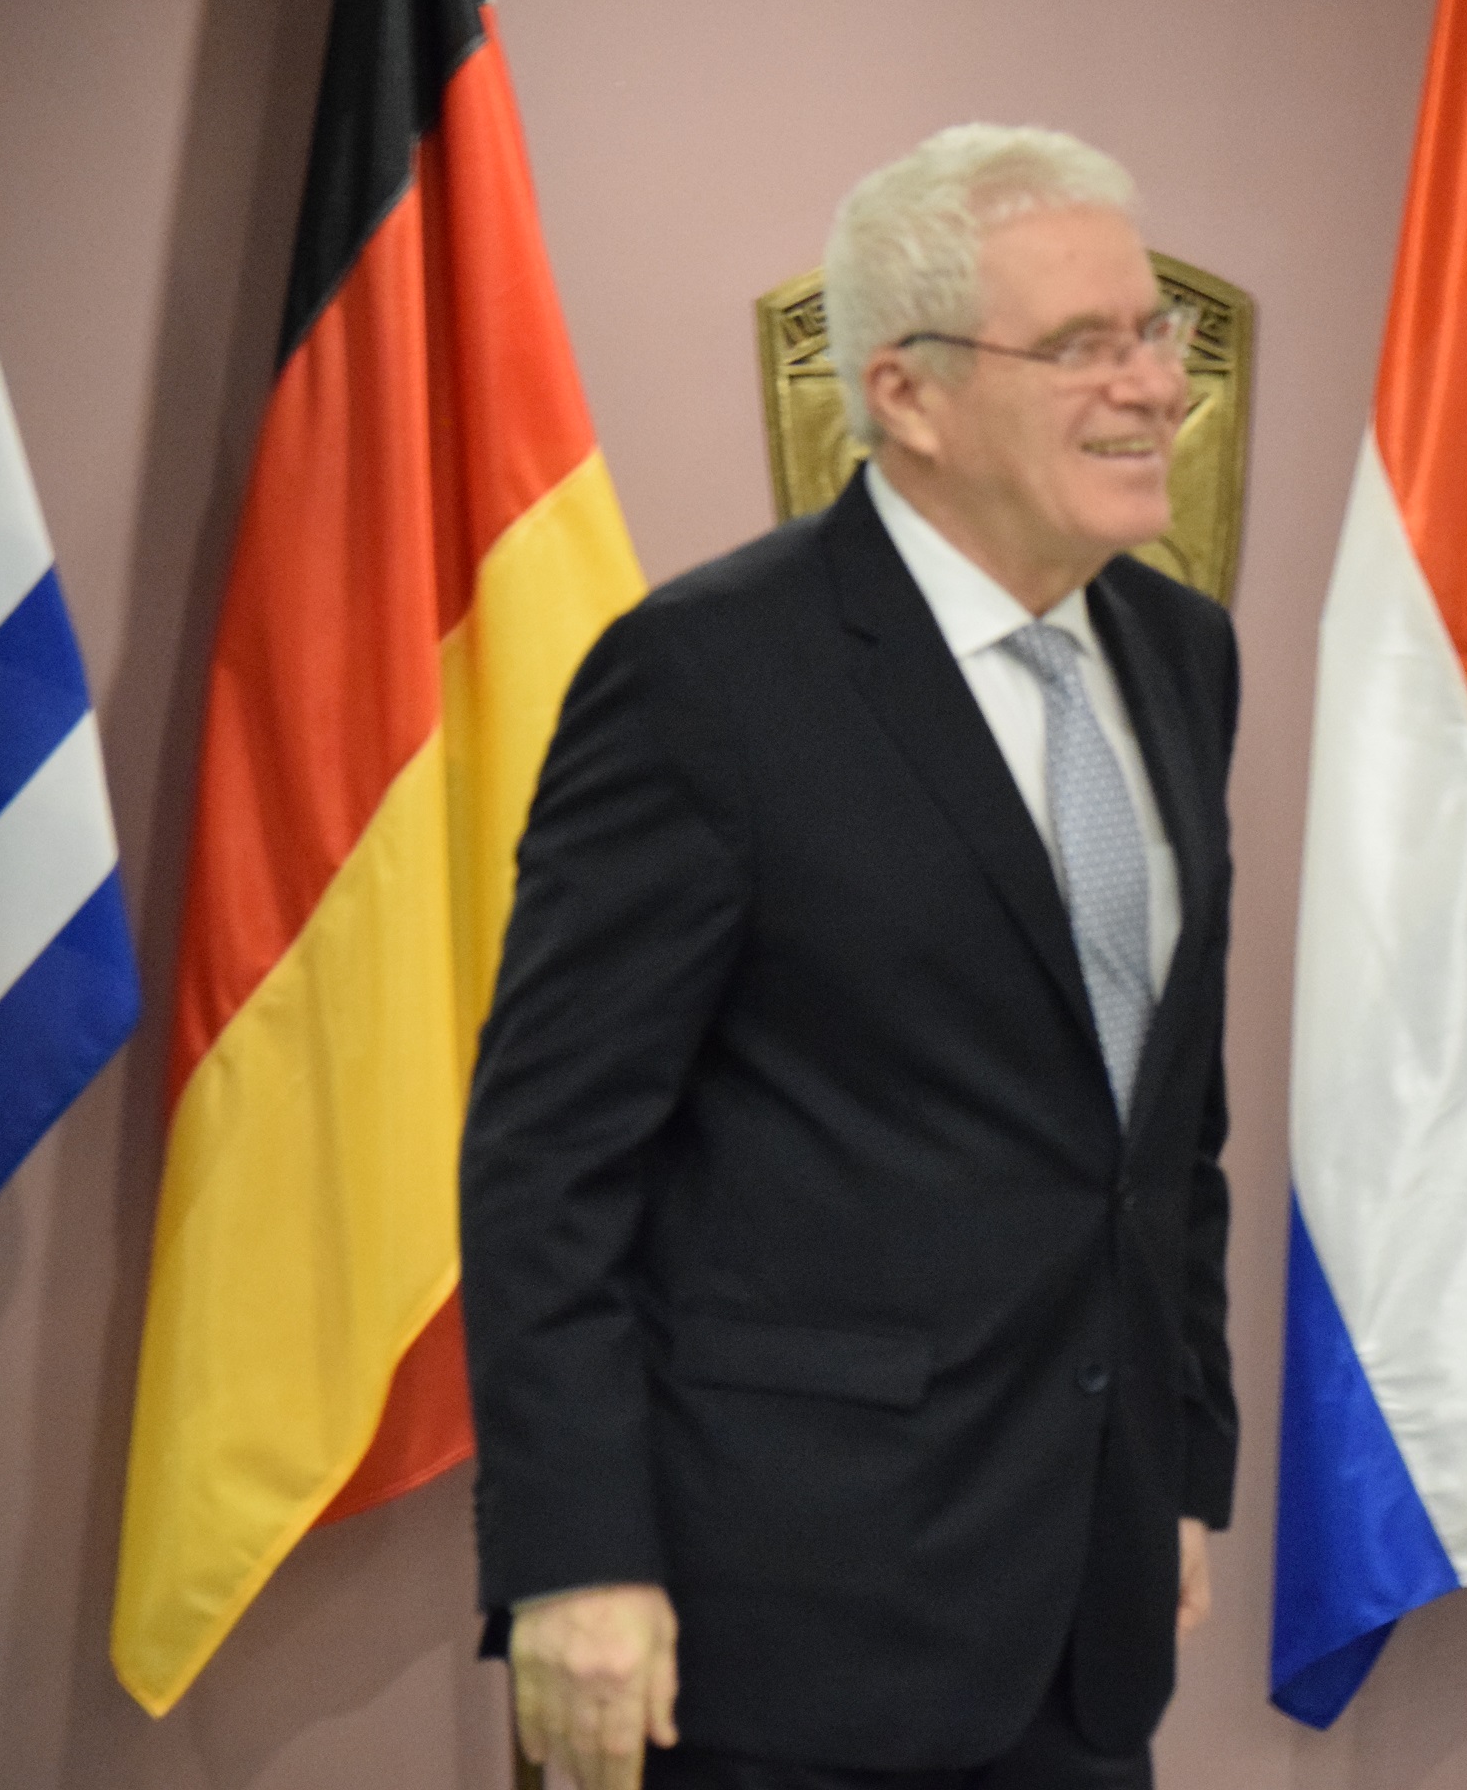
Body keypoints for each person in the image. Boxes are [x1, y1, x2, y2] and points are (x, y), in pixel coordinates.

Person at [460, 124, 1239, 1790]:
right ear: (907, 394)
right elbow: (550, 1155)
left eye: (1155, 329)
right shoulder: (709, 677)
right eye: (1081, 346)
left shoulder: (1183, 652)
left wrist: (1177, 1460)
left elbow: (1167, 1118)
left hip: (1088, 1611)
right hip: (793, 1621)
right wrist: (574, 1554)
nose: (1154, 385)